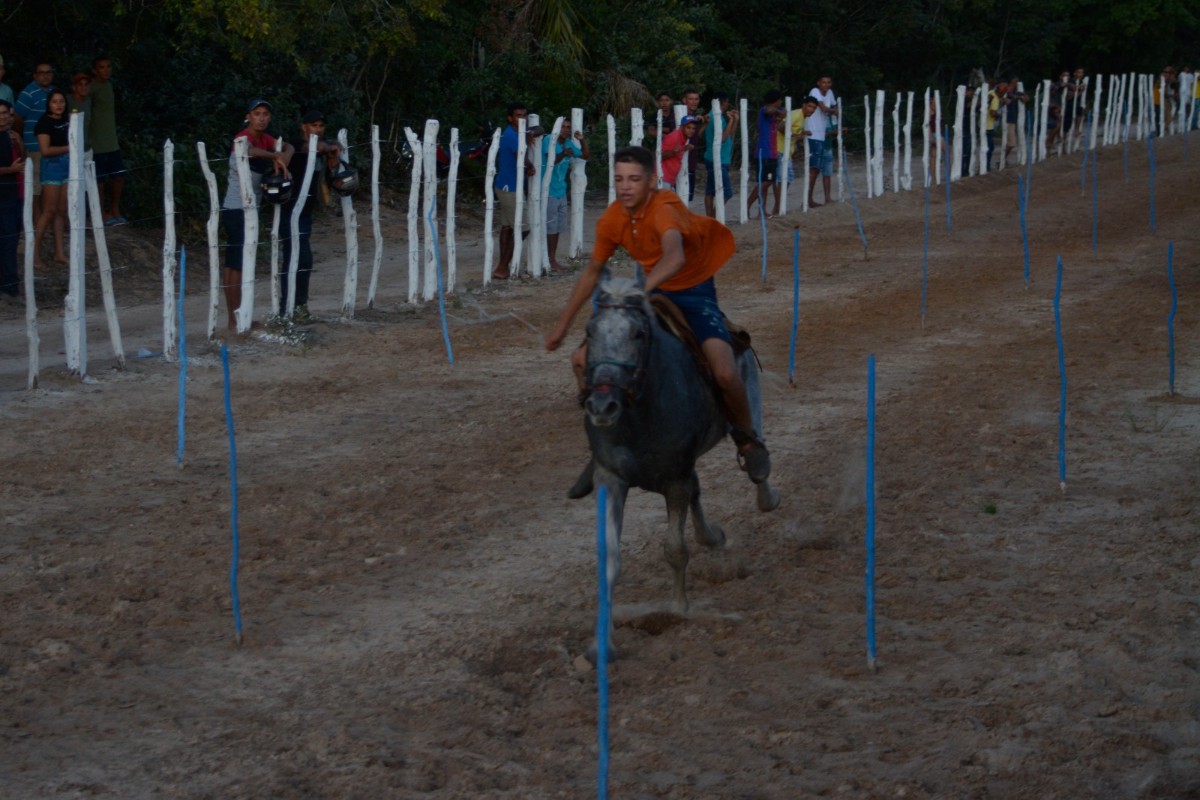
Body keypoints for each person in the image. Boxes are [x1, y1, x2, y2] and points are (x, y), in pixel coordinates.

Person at [545, 145, 772, 491]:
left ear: (652, 182)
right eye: (619, 179)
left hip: (694, 291)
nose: (625, 187)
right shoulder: (612, 218)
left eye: (634, 179)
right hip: (650, 289)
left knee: (725, 370)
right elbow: (592, 271)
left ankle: (747, 439)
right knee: (580, 359)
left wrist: (640, 291)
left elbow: (675, 258)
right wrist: (562, 327)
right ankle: (603, 444)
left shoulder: (665, 207)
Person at [221, 98, 294, 330]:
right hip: (235, 209)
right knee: (235, 265)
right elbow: (248, 150)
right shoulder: (243, 137)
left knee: (241, 263)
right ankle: (233, 320)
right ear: (248, 116)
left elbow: (289, 146)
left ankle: (240, 316)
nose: (261, 118)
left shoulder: (267, 139)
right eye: (257, 113)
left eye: (265, 114)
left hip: (251, 209)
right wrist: (275, 157)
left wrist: (283, 159)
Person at [278, 110, 341, 321]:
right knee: (296, 258)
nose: (318, 130)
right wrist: (330, 148)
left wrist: (334, 148)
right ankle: (287, 308)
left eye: (321, 126)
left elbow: (329, 146)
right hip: (289, 211)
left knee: (303, 260)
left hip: (305, 212)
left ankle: (299, 308)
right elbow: (315, 146)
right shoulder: (297, 145)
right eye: (313, 125)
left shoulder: (323, 148)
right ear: (304, 127)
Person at [493, 101, 536, 280]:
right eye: (519, 116)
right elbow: (521, 155)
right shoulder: (511, 135)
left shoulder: (518, 132)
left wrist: (530, 133)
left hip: (507, 185)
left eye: (524, 115)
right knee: (524, 228)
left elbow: (538, 129)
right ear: (510, 118)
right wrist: (530, 166)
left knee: (507, 227)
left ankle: (503, 265)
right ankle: (502, 267)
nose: (523, 118)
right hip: (509, 188)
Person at [541, 118, 589, 273]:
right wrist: (563, 154)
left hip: (560, 190)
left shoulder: (568, 144)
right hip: (548, 190)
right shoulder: (549, 139)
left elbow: (585, 155)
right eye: (564, 127)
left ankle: (552, 259)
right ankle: (549, 260)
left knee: (557, 227)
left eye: (569, 127)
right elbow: (550, 160)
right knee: (550, 227)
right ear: (558, 128)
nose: (566, 130)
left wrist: (582, 140)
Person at [33, 89, 70, 268]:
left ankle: (59, 253)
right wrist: (68, 148)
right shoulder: (44, 123)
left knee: (61, 211)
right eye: (55, 101)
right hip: (52, 166)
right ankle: (34, 254)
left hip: (67, 166)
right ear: (49, 104)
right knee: (48, 211)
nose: (58, 105)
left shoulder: (68, 120)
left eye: (61, 101)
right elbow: (45, 150)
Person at [13, 61, 54, 217]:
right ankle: (37, 220)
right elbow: (17, 118)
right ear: (35, 75)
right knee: (35, 186)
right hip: (34, 147)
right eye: (41, 72)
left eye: (48, 72)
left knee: (47, 185)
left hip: (52, 148)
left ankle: (45, 218)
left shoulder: (54, 92)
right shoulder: (28, 93)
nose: (45, 75)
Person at [90, 56, 127, 225]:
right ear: (95, 70)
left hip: (112, 141)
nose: (105, 70)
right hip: (97, 143)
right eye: (101, 67)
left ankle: (115, 209)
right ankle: (102, 212)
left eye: (108, 67)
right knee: (100, 180)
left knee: (119, 177)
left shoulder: (109, 85)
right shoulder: (90, 88)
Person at [772, 95, 816, 214]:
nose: (811, 110)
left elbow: (791, 129)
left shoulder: (802, 117)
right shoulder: (796, 114)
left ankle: (778, 206)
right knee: (785, 177)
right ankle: (778, 207)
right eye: (810, 106)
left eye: (814, 108)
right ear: (804, 105)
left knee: (785, 177)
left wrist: (801, 133)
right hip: (780, 148)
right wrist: (795, 136)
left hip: (785, 150)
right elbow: (781, 126)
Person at [746, 90, 784, 218]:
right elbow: (770, 110)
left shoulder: (772, 114)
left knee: (764, 182)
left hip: (770, 151)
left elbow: (782, 115)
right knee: (766, 182)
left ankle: (761, 211)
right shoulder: (764, 110)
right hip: (765, 152)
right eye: (779, 100)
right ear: (776, 100)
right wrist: (778, 110)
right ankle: (748, 203)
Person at [0, 99, 24, 297]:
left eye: (5, 113)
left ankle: (10, 284)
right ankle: (7, 284)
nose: (2, 116)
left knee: (11, 239)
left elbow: (22, 162)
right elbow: (14, 167)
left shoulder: (10, 136)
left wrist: (19, 143)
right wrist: (11, 170)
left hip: (12, 195)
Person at [703, 92, 738, 217]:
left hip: (717, 158)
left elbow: (730, 134)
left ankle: (710, 217)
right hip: (716, 159)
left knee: (710, 191)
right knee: (727, 192)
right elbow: (722, 138)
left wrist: (734, 120)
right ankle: (713, 216)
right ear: (723, 102)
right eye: (727, 102)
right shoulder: (715, 116)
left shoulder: (717, 116)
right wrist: (730, 121)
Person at [807, 75, 838, 206]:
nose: (826, 85)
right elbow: (825, 109)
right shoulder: (814, 91)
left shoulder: (830, 93)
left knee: (826, 169)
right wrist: (833, 111)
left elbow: (833, 109)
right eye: (823, 82)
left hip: (822, 135)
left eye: (828, 82)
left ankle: (827, 198)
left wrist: (833, 111)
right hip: (814, 134)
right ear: (818, 83)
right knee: (814, 169)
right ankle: (808, 199)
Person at [680, 87, 708, 202]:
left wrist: (704, 124)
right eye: (690, 99)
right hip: (679, 163)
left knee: (687, 198)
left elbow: (694, 136)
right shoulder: (679, 115)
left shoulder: (695, 117)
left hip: (691, 161)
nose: (694, 102)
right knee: (680, 197)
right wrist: (693, 119)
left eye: (696, 99)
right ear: (684, 100)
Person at [659, 115, 697, 190]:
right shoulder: (673, 137)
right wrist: (673, 152)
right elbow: (659, 156)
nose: (691, 130)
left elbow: (677, 149)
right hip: (663, 179)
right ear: (681, 127)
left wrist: (685, 148)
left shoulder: (683, 137)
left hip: (669, 179)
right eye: (688, 127)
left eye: (693, 128)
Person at [67, 73, 92, 153]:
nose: (83, 88)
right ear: (74, 87)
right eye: (80, 85)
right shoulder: (66, 101)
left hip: (87, 148)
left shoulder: (89, 101)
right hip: (70, 149)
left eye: (86, 85)